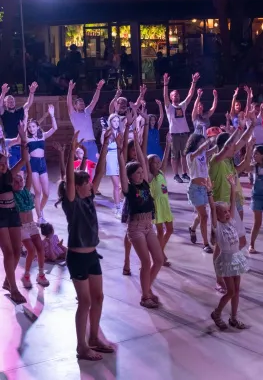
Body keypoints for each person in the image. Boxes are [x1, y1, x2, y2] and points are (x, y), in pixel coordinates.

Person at [57, 128, 113, 361]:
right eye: (87, 183)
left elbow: (99, 171)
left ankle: (93, 337)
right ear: (78, 187)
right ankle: (81, 345)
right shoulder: (72, 201)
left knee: (98, 298)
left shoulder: (89, 197)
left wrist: (105, 145)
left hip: (92, 255)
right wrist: (71, 151)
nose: (92, 185)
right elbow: (69, 177)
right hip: (77, 257)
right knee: (85, 301)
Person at [117, 129, 164, 309]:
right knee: (146, 262)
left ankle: (147, 289)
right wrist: (121, 149)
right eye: (137, 173)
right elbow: (123, 168)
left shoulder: (144, 182)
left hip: (148, 225)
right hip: (135, 228)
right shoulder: (128, 189)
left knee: (158, 260)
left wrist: (136, 139)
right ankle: (145, 296)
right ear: (130, 176)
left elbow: (143, 159)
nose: (140, 174)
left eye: (140, 172)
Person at [211, 174, 249, 331]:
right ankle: (217, 313)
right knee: (231, 291)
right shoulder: (218, 227)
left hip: (236, 258)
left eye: (227, 211)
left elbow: (233, 204)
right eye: (224, 212)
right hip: (226, 261)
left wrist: (233, 186)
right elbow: (213, 211)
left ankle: (234, 318)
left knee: (237, 290)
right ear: (217, 216)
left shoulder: (232, 221)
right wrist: (209, 194)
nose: (227, 213)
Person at [0, 122, 28, 304]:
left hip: (13, 213)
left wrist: (24, 140)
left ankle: (7, 281)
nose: (3, 165)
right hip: (0, 215)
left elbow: (24, 160)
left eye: (4, 162)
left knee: (17, 251)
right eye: (0, 163)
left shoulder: (9, 174)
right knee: (8, 253)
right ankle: (14, 287)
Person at [14, 147, 49, 288]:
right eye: (16, 181)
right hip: (21, 226)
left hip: (31, 224)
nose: (20, 183)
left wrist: (27, 159)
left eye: (20, 180)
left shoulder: (26, 191)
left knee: (40, 249)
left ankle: (41, 274)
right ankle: (26, 275)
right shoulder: (11, 194)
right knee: (31, 250)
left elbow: (29, 173)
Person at [26, 104, 58, 223]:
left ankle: (39, 211)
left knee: (46, 193)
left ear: (37, 127)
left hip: (42, 164)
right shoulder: (28, 138)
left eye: (33, 126)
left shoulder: (43, 136)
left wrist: (52, 115)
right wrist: (25, 117)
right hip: (33, 164)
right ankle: (39, 217)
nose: (31, 129)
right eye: (29, 127)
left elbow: (55, 128)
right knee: (38, 192)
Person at [164, 72, 198, 183]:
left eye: (177, 95)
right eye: (174, 95)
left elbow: (190, 95)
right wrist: (165, 85)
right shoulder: (169, 107)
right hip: (174, 134)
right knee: (174, 156)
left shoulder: (183, 105)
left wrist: (193, 82)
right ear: (171, 97)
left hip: (184, 133)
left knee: (184, 155)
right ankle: (176, 174)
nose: (176, 96)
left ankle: (184, 173)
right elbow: (165, 97)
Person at [185, 133, 215, 252]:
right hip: (195, 189)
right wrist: (207, 142)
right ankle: (205, 244)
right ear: (195, 143)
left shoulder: (203, 154)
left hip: (204, 188)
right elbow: (198, 151)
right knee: (204, 215)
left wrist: (220, 138)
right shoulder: (190, 156)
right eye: (201, 142)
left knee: (201, 215)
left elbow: (216, 149)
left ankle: (192, 228)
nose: (204, 145)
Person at [148, 142, 174, 267]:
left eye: (159, 162)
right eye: (155, 162)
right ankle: (160, 255)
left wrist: (168, 145)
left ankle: (159, 252)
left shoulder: (161, 173)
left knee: (170, 230)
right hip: (156, 206)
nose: (158, 164)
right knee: (159, 232)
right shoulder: (150, 177)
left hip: (165, 205)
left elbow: (164, 161)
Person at [67, 79, 105, 165]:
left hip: (92, 144)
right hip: (81, 144)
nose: (82, 105)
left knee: (94, 165)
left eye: (83, 103)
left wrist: (98, 88)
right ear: (75, 106)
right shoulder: (73, 114)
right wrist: (70, 89)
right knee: (82, 166)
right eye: (80, 104)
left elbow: (94, 100)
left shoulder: (87, 111)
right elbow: (68, 103)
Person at [0, 82, 37, 168]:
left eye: (12, 101)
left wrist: (31, 92)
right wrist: (3, 93)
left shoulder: (20, 111)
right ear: (5, 104)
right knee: (13, 169)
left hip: (21, 144)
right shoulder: (4, 113)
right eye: (8, 101)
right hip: (10, 145)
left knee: (23, 169)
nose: (11, 102)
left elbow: (29, 103)